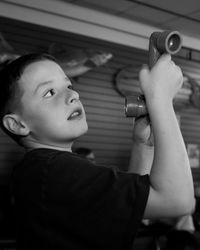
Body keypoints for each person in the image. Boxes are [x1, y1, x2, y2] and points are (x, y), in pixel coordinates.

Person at [0, 53, 195, 250]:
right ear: (17, 124)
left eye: (68, 86)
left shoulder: (42, 170)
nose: (73, 95)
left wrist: (142, 144)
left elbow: (136, 208)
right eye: (49, 92)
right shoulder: (55, 170)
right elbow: (178, 200)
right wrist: (161, 99)